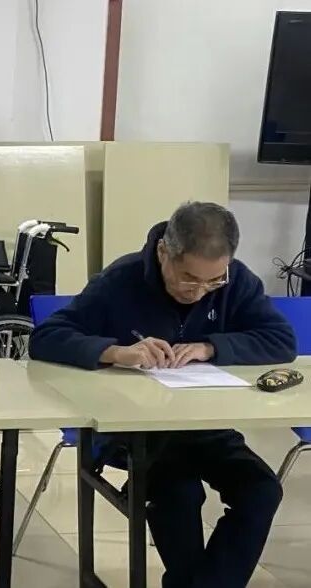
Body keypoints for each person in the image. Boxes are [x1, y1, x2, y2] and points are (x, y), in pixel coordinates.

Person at [29, 202, 295, 588]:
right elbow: (47, 336)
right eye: (188, 278)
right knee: (179, 495)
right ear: (163, 252)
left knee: (262, 490)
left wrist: (211, 347)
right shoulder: (121, 281)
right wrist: (115, 352)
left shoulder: (235, 280)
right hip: (135, 433)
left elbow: (280, 340)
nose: (199, 292)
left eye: (212, 282)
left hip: (205, 427)